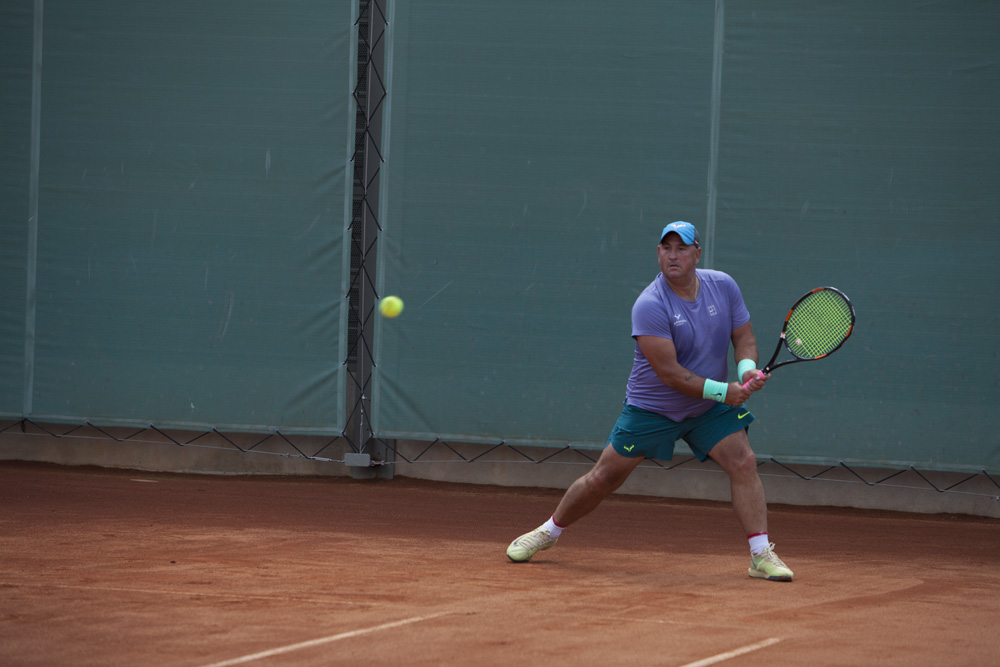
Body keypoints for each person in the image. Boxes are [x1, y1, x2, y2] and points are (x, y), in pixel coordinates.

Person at [505, 221, 793, 582]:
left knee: (744, 461)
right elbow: (670, 373)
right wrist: (725, 392)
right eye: (666, 248)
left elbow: (744, 337)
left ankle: (760, 554)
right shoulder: (650, 304)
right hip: (654, 407)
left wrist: (747, 368)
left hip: (707, 407)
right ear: (658, 253)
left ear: (696, 254)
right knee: (603, 477)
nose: (673, 256)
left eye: (681, 249)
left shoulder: (723, 286)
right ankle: (549, 531)